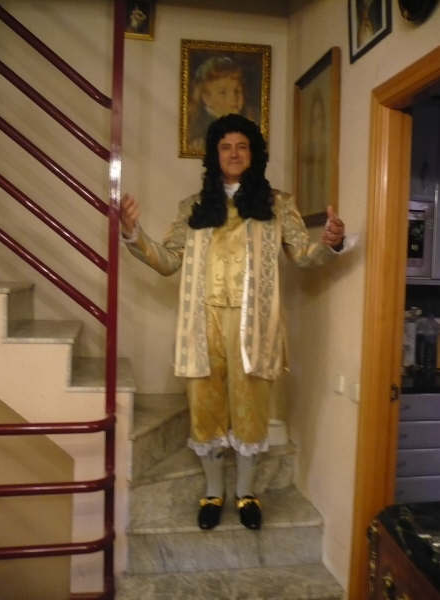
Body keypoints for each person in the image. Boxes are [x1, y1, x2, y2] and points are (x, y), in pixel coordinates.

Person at [120, 114, 345, 531]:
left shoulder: (278, 204)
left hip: (253, 327)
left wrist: (330, 243)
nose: (234, 153)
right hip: (201, 323)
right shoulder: (193, 206)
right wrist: (135, 234)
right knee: (204, 410)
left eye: (242, 146)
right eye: (226, 147)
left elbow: (303, 257)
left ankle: (246, 493)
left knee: (250, 411)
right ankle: (212, 492)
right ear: (215, 154)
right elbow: (168, 261)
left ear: (254, 153)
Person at [187, 56, 257, 154]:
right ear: (207, 99)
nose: (233, 98)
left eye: (237, 91)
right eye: (223, 93)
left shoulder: (247, 120)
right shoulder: (201, 129)